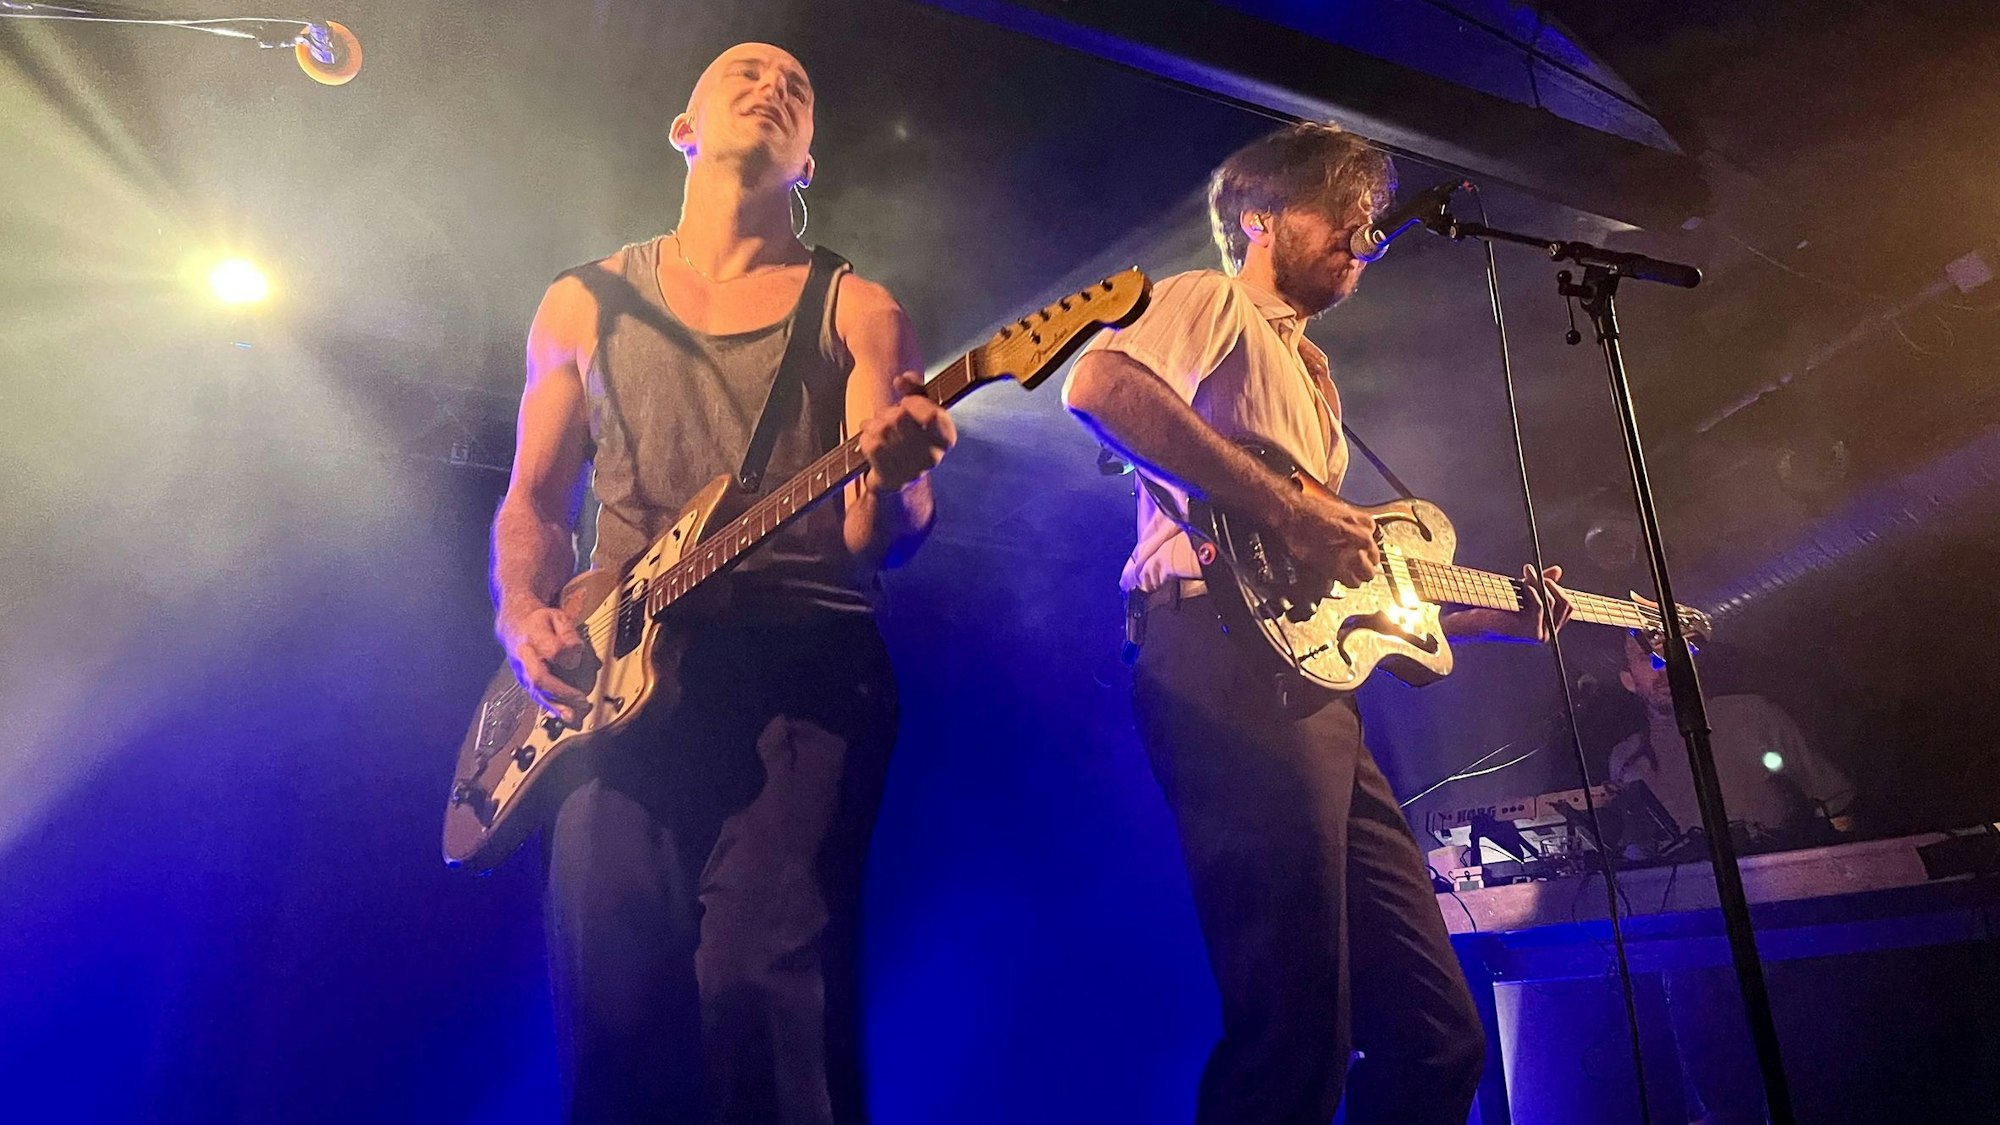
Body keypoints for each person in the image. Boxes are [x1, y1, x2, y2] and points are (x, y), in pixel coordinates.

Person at [1062, 120, 1573, 1125]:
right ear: (1257, 216)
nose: (1362, 231)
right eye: (1337, 207)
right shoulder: (1208, 302)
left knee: (1435, 1038)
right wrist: (1291, 507)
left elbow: (1342, 600)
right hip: (1213, 657)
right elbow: (1098, 386)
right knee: (1293, 1020)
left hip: (1314, 691)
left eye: (1368, 217)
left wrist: (1490, 616)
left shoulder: (1317, 381)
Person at [488, 42, 955, 1124]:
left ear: (806, 165)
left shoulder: (857, 309)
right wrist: (524, 612)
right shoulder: (583, 300)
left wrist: (894, 482)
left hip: (802, 666)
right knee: (612, 1011)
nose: (774, 82)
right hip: (618, 684)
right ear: (682, 128)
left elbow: (880, 537)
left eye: (798, 86)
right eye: (744, 69)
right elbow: (530, 500)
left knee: (756, 988)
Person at [1608, 631, 1855, 849]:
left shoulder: (1753, 714)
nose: (1661, 665)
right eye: (1645, 657)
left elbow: (1836, 801)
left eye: (1668, 652)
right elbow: (1634, 852)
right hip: (1684, 892)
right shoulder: (1626, 758)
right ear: (1628, 680)